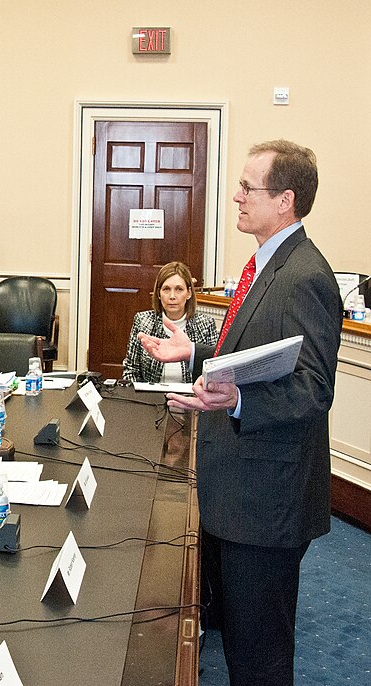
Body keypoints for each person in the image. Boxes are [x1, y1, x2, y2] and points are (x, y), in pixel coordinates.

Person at [138, 140, 341, 686]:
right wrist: (197, 354)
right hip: (239, 492)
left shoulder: (306, 276)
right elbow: (255, 358)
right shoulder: (267, 264)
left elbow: (315, 388)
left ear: (285, 200)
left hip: (267, 503)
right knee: (240, 641)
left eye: (248, 188)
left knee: (260, 656)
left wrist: (240, 399)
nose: (236, 196)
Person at [121, 261, 217, 383]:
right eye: (166, 289)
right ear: (159, 294)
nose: (172, 296)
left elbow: (214, 372)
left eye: (179, 289)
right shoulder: (143, 321)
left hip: (191, 399)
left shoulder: (206, 324)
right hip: (150, 399)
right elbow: (130, 370)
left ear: (189, 293)